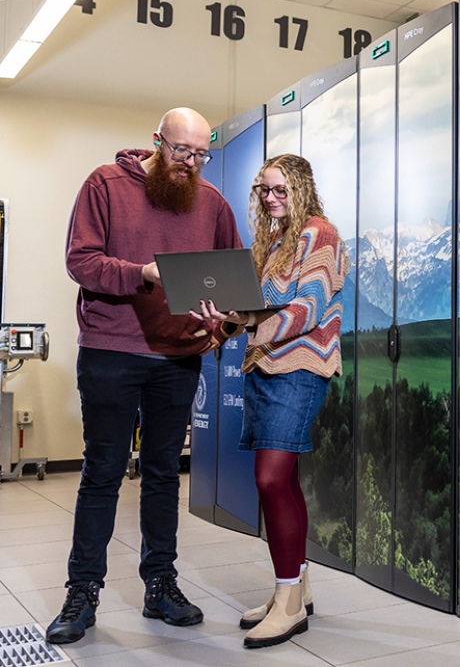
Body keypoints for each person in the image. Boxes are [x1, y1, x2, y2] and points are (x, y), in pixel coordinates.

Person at [49, 107, 242, 645]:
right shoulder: (105, 184)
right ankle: (82, 592)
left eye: (202, 155)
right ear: (157, 142)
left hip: (179, 356)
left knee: (162, 475)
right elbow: (81, 261)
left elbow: (228, 286)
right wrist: (142, 274)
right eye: (182, 151)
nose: (190, 164)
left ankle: (160, 585)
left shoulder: (214, 204)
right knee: (103, 471)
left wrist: (220, 324)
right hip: (111, 350)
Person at [193, 153, 348, 648]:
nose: (270, 197)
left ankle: (288, 605)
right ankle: (294, 591)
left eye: (280, 188)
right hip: (263, 365)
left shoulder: (319, 233)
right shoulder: (271, 242)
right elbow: (252, 310)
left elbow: (310, 306)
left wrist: (250, 322)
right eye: (264, 189)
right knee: (287, 484)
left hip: (302, 368)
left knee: (270, 478)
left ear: (301, 187)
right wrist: (221, 322)